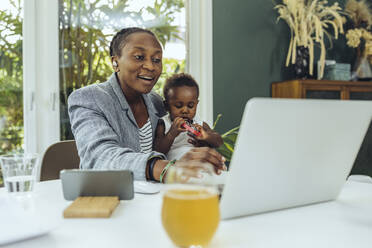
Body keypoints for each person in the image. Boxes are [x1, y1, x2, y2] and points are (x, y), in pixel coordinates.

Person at [68, 27, 225, 182]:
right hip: (108, 198)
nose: (151, 66)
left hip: (155, 195)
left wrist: (203, 144)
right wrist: (166, 168)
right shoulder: (88, 98)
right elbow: (100, 157)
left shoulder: (156, 102)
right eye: (139, 57)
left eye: (156, 60)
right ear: (115, 62)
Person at [153, 73, 223, 161]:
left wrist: (206, 136)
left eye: (190, 106)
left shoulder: (199, 123)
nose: (185, 111)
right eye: (178, 106)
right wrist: (171, 134)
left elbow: (219, 142)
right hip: (178, 165)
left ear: (196, 104)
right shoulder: (164, 124)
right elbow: (157, 152)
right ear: (166, 106)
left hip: (200, 162)